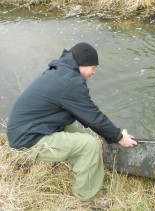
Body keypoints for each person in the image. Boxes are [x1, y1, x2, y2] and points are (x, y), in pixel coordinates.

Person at [7, 42, 137, 203]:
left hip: (32, 128)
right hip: (28, 140)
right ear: (82, 65)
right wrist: (119, 137)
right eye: (93, 67)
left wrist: (113, 134)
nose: (94, 72)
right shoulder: (70, 83)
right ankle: (86, 198)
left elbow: (86, 115)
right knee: (88, 144)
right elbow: (93, 116)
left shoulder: (62, 72)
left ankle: (83, 172)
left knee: (81, 135)